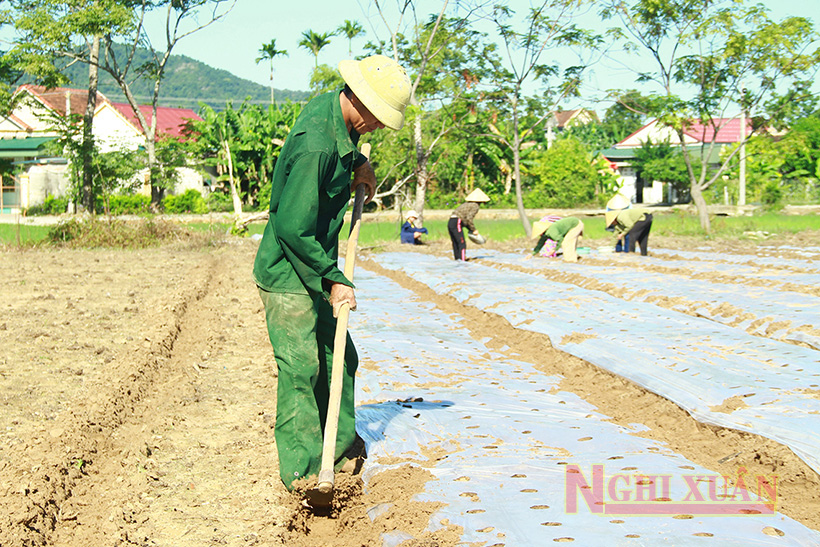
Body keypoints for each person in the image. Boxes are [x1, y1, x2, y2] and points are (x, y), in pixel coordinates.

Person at [252, 54, 411, 499]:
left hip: (315, 264)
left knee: (341, 358)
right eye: (377, 117)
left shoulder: (335, 119)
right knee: (302, 367)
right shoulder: (317, 145)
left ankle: (338, 453)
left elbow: (335, 165)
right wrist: (333, 278)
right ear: (358, 99)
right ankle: (303, 472)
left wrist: (358, 165)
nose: (379, 126)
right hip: (290, 270)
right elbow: (291, 227)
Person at [448, 188, 489, 260]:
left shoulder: (467, 204)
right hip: (457, 221)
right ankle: (462, 261)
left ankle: (458, 259)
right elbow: (469, 218)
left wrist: (470, 229)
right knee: (461, 243)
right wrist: (474, 229)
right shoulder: (475, 206)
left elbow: (465, 220)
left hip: (451, 221)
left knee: (455, 242)